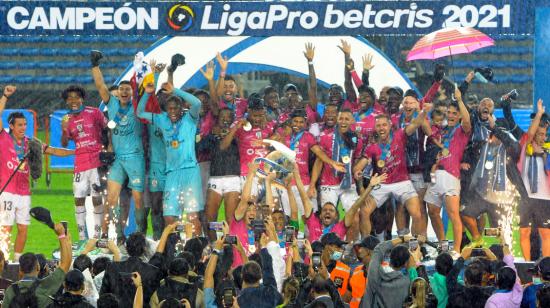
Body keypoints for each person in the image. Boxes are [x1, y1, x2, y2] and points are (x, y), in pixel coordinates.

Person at [0, 86, 74, 260]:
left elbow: (53, 151)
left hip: (25, 192)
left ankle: (16, 262)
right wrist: (4, 96)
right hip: (7, 191)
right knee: (6, 229)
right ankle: (3, 260)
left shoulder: (31, 143)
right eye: (19, 125)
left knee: (23, 229)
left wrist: (75, 152)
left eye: (25, 124)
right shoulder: (3, 138)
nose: (23, 127)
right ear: (11, 125)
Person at [137, 64, 204, 230]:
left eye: (176, 108)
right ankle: (173, 250)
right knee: (169, 216)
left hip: (190, 172)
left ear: (182, 108)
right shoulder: (162, 119)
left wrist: (175, 91)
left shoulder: (190, 118)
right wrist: (147, 93)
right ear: (166, 109)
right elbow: (139, 113)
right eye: (169, 108)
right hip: (171, 173)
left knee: (192, 216)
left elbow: (196, 102)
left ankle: (195, 251)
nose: (173, 111)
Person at [91, 51, 146, 240]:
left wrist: (141, 69)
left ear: (131, 93)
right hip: (118, 160)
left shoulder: (138, 106)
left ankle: (140, 233)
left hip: (136, 158)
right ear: (118, 92)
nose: (124, 91)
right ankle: (120, 235)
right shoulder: (112, 104)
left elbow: (144, 87)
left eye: (127, 89)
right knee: (111, 199)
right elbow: (100, 86)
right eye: (121, 89)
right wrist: (95, 65)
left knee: (138, 199)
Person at [355, 106, 430, 238]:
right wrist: (357, 172)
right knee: (364, 212)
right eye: (378, 126)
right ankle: (365, 243)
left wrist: (424, 112)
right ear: (375, 128)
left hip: (402, 181)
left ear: (390, 126)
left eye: (384, 125)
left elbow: (415, 123)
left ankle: (415, 244)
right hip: (382, 183)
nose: (381, 128)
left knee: (417, 213)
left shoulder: (400, 135)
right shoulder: (372, 147)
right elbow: (359, 166)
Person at [424, 87, 472, 255]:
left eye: (454, 113)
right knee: (432, 211)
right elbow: (425, 124)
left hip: (451, 176)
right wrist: (424, 109)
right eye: (449, 113)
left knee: (453, 213)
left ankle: (457, 250)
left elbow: (467, 121)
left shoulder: (461, 131)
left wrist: (459, 100)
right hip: (435, 174)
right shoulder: (441, 130)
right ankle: (443, 243)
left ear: (458, 115)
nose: (451, 116)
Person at [60, 85, 107, 243]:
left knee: (97, 197)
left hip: (96, 161)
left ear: (82, 98)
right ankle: (81, 237)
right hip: (80, 163)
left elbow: (107, 129)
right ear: (66, 101)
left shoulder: (94, 112)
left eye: (76, 97)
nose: (73, 100)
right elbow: (65, 143)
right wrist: (64, 129)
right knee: (78, 198)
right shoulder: (67, 119)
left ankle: (97, 234)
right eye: (70, 98)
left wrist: (108, 149)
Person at [2, 222, 72, 307]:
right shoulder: (46, 285)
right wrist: (62, 237)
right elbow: (65, 264)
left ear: (20, 270)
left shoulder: (11, 290)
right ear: (38, 267)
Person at [513, 99, 550, 259]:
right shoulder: (525, 148)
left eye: (544, 134)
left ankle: (547, 265)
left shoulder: (548, 150)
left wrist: (544, 155)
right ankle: (527, 265)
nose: (541, 137)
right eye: (538, 134)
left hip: (544, 198)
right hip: (525, 198)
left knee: (546, 233)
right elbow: (529, 134)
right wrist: (540, 114)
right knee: (524, 232)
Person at [201, 107, 241, 241]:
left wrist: (233, 131)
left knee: (230, 219)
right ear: (217, 119)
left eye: (228, 117)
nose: (225, 119)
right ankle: (213, 246)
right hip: (215, 178)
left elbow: (225, 146)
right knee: (209, 218)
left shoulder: (237, 134)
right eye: (222, 116)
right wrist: (212, 134)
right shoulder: (213, 134)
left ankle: (229, 247)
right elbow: (200, 147)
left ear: (232, 119)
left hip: (232, 178)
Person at [100, 232, 163, 308]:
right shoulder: (154, 271)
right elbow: (155, 300)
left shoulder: (111, 267)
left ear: (126, 248)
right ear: (144, 248)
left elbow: (103, 295)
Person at [360, 235, 421, 308]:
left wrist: (402, 238)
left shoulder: (375, 273)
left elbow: (378, 249)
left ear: (390, 257)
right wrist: (416, 262)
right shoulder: (407, 282)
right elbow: (418, 294)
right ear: (405, 263)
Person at [237, 232, 283, 308]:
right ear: (261, 275)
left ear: (242, 277)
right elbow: (268, 270)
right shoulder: (270, 293)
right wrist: (263, 247)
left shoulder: (239, 301)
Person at [484, 237, 523, 308]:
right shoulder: (518, 291)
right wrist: (504, 242)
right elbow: (511, 265)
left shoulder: (493, 300)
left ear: (496, 280)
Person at [345, 236, 380, 308]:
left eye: (361, 248)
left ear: (368, 251)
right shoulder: (357, 270)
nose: (358, 251)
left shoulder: (386, 273)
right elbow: (347, 297)